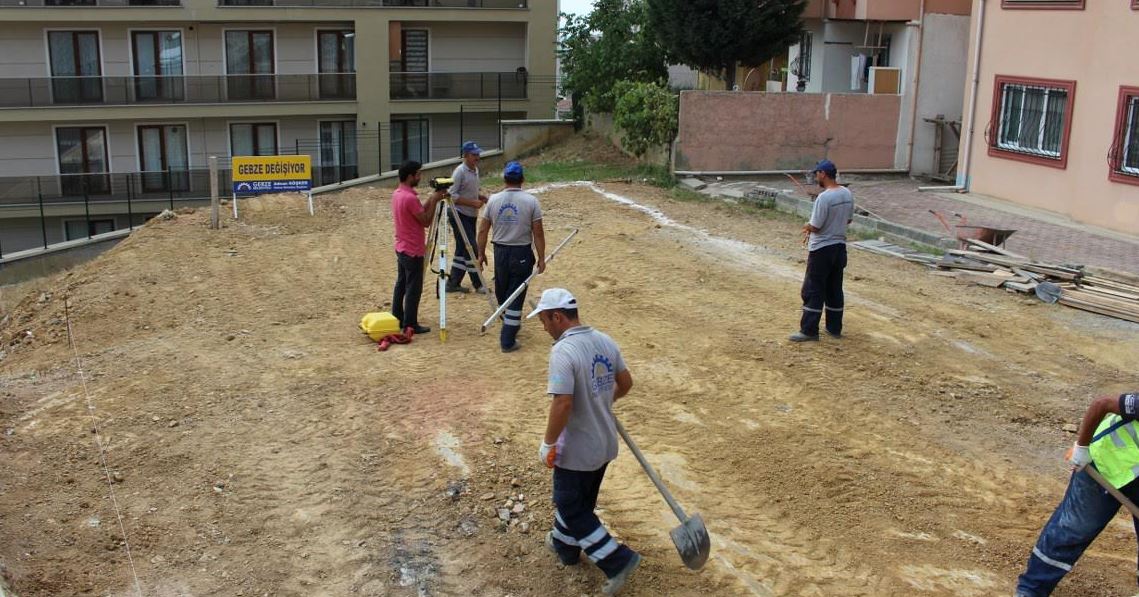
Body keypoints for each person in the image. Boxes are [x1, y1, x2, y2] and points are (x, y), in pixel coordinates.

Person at [528, 288, 642, 596]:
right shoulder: (604, 340)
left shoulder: (563, 352)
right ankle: (565, 547)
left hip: (577, 449)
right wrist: (600, 402)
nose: (543, 327)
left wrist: (548, 443)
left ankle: (617, 561)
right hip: (604, 443)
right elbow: (626, 383)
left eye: (544, 321)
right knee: (580, 503)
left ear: (557, 317)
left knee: (570, 505)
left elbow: (562, 403)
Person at [1015, 391, 1139, 597]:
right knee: (1073, 529)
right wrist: (1081, 447)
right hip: (1104, 466)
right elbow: (1102, 403)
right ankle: (1031, 590)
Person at [477, 161, 545, 353]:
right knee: (515, 293)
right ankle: (507, 339)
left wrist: (481, 253)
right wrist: (541, 258)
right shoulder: (531, 202)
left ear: (505, 179)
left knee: (503, 288)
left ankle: (510, 321)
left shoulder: (493, 201)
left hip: (500, 252)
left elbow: (483, 230)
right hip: (521, 251)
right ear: (522, 179)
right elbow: (538, 233)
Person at [790, 159, 854, 342]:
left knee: (813, 289)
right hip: (840, 248)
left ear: (823, 174)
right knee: (834, 288)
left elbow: (816, 226)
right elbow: (848, 220)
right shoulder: (847, 193)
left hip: (821, 250)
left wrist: (807, 226)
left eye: (816, 173)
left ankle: (809, 330)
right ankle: (834, 328)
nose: (816, 176)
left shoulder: (824, 198)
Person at [391, 160, 443, 335]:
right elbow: (427, 220)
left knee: (401, 284)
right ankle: (410, 323)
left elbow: (419, 211)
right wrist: (435, 200)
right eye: (418, 174)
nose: (420, 177)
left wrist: (430, 199)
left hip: (402, 246)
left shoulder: (398, 194)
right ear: (410, 176)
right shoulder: (410, 198)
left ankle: (397, 317)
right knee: (413, 288)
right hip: (413, 250)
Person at [445, 141, 489, 294]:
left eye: (478, 154)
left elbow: (468, 190)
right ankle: (478, 283)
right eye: (474, 155)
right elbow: (451, 195)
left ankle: (453, 283)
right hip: (459, 214)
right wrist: (471, 202)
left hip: (470, 214)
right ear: (466, 156)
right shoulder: (460, 172)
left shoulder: (475, 170)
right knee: (471, 247)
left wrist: (480, 197)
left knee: (462, 249)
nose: (477, 157)